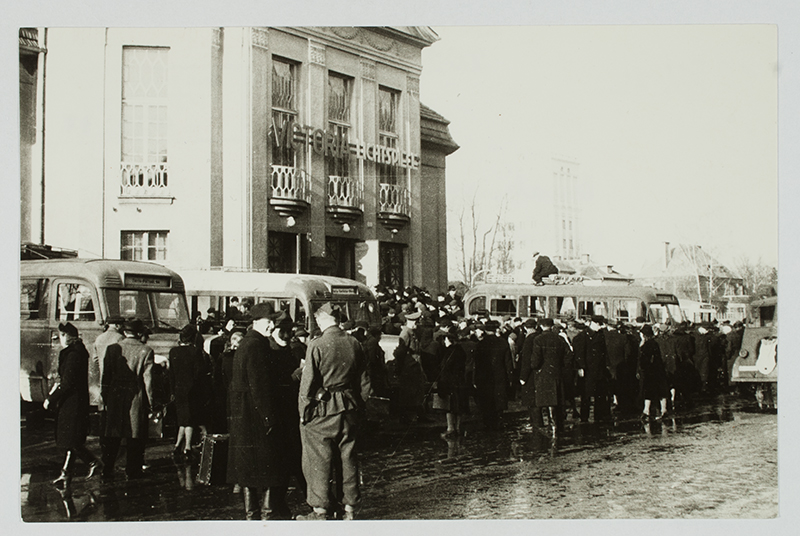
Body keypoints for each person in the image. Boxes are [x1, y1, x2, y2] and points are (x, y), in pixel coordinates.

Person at [297, 302, 371, 521]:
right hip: (349, 407)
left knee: (318, 459)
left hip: (324, 408)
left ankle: (320, 510)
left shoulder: (317, 344)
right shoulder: (354, 343)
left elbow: (308, 383)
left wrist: (303, 411)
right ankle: (350, 508)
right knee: (348, 457)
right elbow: (365, 382)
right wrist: (360, 406)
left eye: (318, 320)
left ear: (323, 320)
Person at [227, 302, 291, 520]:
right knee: (269, 468)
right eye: (268, 321)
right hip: (257, 419)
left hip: (245, 417)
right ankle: (267, 515)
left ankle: (252, 515)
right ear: (256, 322)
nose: (272, 325)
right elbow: (259, 386)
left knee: (249, 471)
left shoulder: (247, 343)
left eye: (273, 321)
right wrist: (269, 417)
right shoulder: (257, 345)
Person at [45, 322, 103, 490]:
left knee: (72, 439)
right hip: (73, 402)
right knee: (72, 439)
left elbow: (67, 382)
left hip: (72, 403)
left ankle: (91, 462)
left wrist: (51, 399)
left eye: (61, 336)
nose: (60, 340)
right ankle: (67, 472)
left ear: (66, 336)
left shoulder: (73, 355)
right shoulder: (76, 352)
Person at [100, 319, 155, 480]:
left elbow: (106, 376)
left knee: (113, 435)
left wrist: (105, 397)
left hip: (115, 395)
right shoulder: (146, 350)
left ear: (124, 332)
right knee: (135, 435)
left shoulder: (112, 349)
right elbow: (148, 381)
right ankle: (133, 470)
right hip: (135, 395)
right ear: (139, 333)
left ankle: (107, 468)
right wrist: (151, 403)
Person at [529, 318, 571, 436]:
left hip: (543, 373)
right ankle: (557, 424)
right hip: (557, 373)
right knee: (556, 399)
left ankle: (551, 426)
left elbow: (535, 360)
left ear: (541, 326)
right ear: (552, 326)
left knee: (547, 400)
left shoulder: (538, 339)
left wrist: (536, 367)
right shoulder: (560, 339)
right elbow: (569, 355)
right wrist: (561, 366)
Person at [168, 324, 204, 460]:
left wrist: (172, 390)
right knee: (189, 420)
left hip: (178, 389)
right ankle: (187, 447)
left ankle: (177, 445)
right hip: (192, 390)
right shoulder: (195, 352)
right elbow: (199, 373)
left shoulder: (173, 352)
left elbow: (171, 374)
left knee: (183, 419)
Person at [577, 316, 612, 423]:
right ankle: (584, 417)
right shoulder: (583, 336)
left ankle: (598, 416)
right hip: (588, 370)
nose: (601, 327)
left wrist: (607, 365)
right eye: (599, 325)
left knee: (600, 394)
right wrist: (581, 367)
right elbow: (579, 353)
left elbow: (604, 352)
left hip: (599, 369)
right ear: (593, 323)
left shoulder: (600, 335)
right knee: (586, 395)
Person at [638, 324, 669, 420]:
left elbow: (643, 360)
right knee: (661, 391)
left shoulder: (646, 345)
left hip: (650, 371)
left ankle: (646, 411)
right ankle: (663, 410)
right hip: (658, 370)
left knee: (649, 391)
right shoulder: (655, 343)